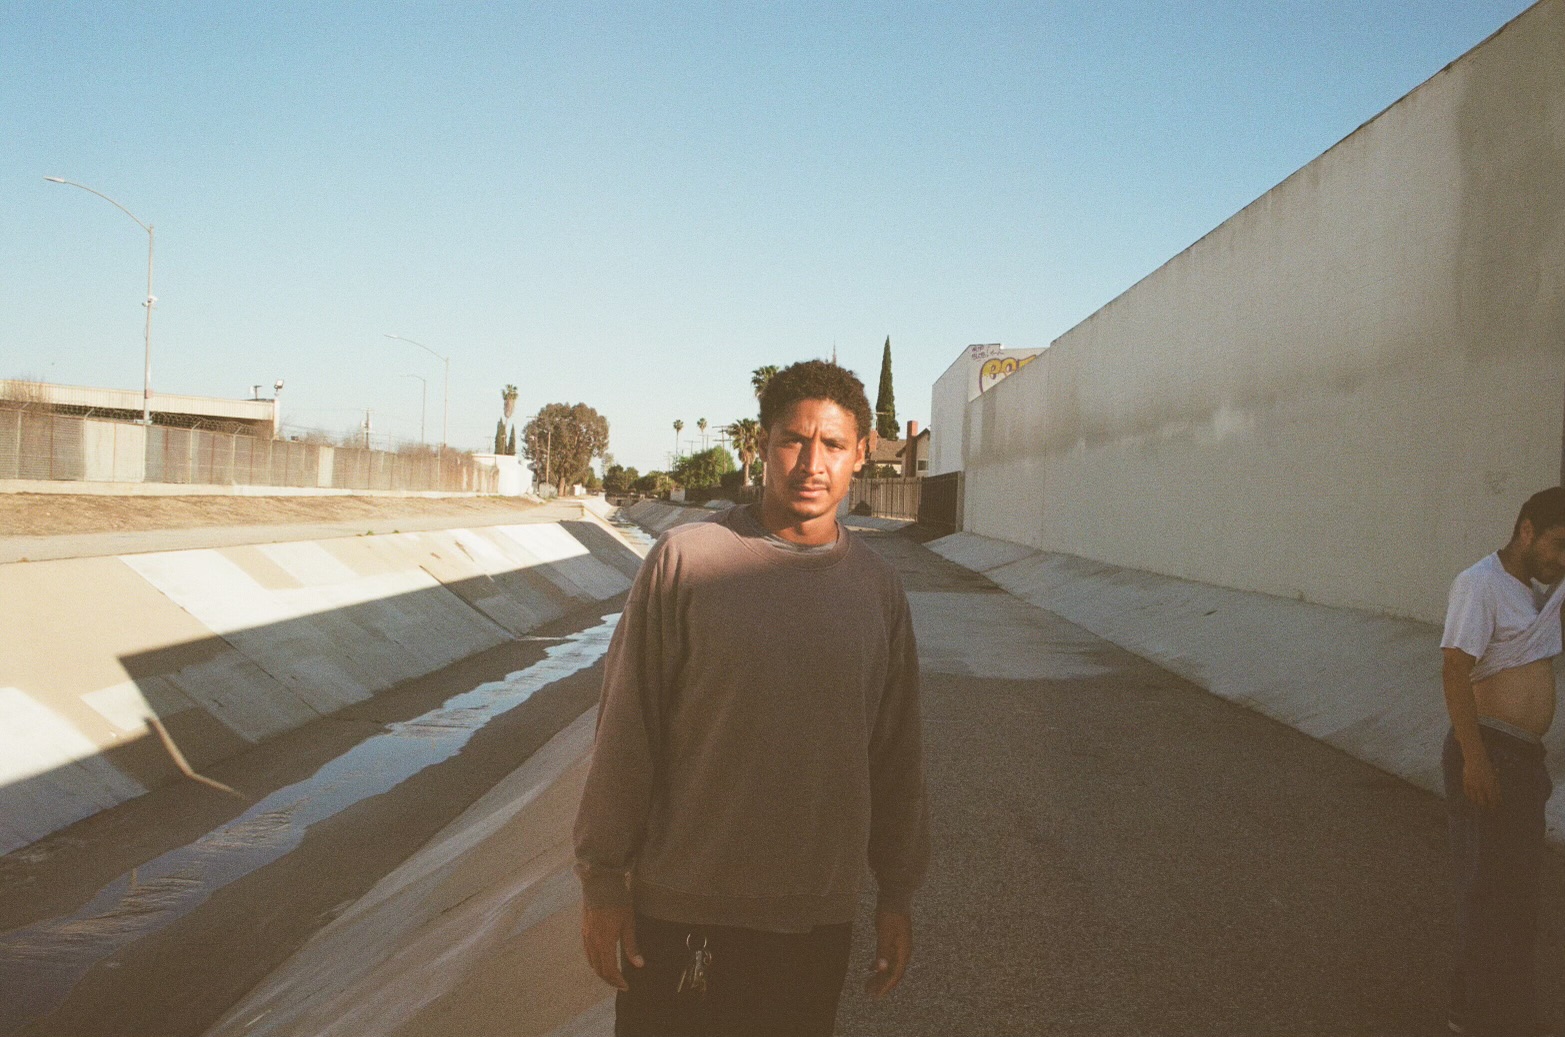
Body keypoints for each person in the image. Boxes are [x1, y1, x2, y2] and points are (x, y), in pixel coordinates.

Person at [574, 359, 929, 1037]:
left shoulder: (877, 589)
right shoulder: (686, 561)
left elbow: (896, 754)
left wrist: (896, 893)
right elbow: (625, 728)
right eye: (794, 440)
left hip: (813, 921)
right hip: (680, 910)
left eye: (832, 444)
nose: (811, 463)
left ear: (860, 454)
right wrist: (603, 881)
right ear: (763, 445)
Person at [1441, 486, 1565, 1037]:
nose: (1561, 560)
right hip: (1488, 750)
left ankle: (1505, 1007)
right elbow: (1454, 669)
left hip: (1525, 758)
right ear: (1526, 530)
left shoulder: (1538, 596)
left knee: (1519, 892)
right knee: (1486, 888)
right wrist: (1475, 760)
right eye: (1558, 545)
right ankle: (1474, 1013)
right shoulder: (1480, 583)